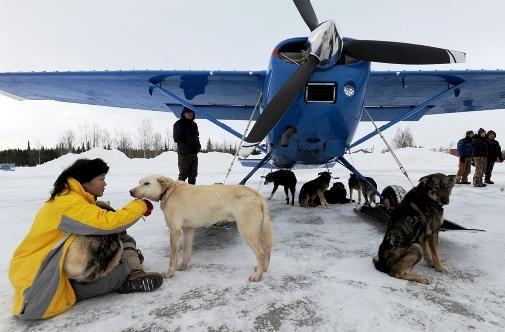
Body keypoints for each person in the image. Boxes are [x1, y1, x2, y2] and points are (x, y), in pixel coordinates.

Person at [8, 158, 163, 320]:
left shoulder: (71, 198)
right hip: (41, 287)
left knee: (124, 238)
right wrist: (140, 205)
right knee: (121, 269)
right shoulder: (67, 204)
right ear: (85, 181)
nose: (105, 184)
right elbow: (108, 222)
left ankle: (131, 269)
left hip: (52, 270)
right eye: (101, 179)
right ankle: (125, 277)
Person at [173, 107, 201, 184]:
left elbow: (196, 137)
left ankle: (191, 192)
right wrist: (186, 146)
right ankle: (179, 192)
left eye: (191, 113)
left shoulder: (194, 124)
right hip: (184, 154)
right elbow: (177, 138)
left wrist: (198, 146)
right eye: (187, 113)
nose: (189, 114)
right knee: (183, 174)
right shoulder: (178, 124)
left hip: (194, 153)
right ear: (183, 114)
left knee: (193, 174)